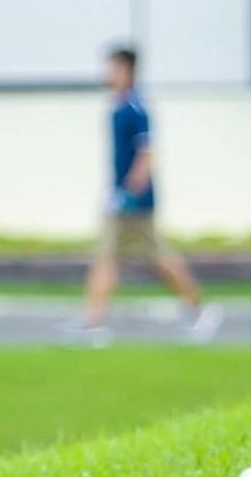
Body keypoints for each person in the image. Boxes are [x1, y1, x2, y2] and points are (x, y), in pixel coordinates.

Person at [64, 45, 220, 348]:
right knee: (109, 258)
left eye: (112, 67)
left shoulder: (136, 109)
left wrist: (129, 192)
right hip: (121, 197)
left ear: (126, 69)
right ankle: (94, 321)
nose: (106, 73)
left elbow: (147, 153)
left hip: (134, 202)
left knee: (150, 258)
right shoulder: (118, 107)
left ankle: (198, 310)